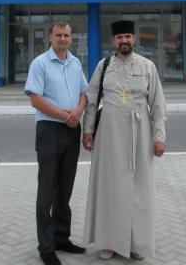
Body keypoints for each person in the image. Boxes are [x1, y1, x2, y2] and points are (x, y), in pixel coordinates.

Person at [82, 20, 167, 261]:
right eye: (120, 37)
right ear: (113, 41)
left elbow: (158, 105)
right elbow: (91, 100)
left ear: (134, 39)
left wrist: (159, 137)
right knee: (109, 188)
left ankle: (136, 244)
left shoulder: (147, 66)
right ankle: (108, 242)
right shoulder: (103, 66)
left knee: (138, 190)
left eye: (128, 36)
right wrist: (87, 131)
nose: (124, 41)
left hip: (140, 135)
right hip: (108, 136)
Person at [24, 21, 89, 265]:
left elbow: (84, 93)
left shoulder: (75, 63)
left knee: (65, 187)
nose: (63, 39)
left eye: (66, 35)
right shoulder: (40, 63)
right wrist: (64, 115)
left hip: (72, 129)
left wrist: (78, 112)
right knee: (47, 190)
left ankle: (62, 237)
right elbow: (36, 99)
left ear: (71, 38)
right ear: (50, 37)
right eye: (59, 35)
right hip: (50, 130)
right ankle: (46, 246)